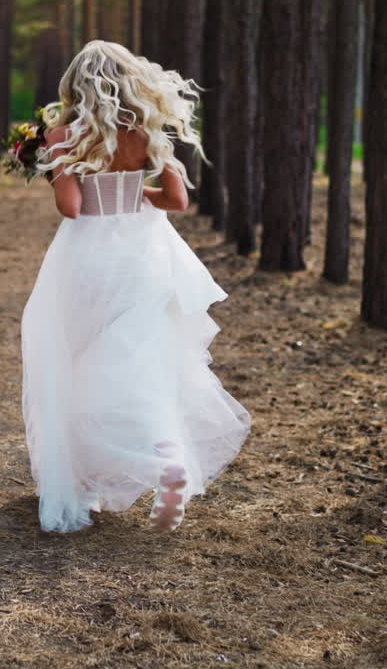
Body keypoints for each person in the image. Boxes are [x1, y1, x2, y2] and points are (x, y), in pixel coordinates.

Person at [20, 40, 250, 533]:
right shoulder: (146, 131)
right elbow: (177, 200)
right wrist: (131, 188)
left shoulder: (63, 135)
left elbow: (71, 207)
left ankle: (87, 479)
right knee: (140, 359)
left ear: (76, 85)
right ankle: (167, 456)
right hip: (147, 254)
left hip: (89, 255)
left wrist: (57, 167)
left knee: (79, 358)